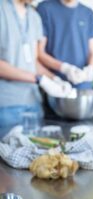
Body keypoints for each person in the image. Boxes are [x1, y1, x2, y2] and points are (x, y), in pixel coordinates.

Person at [0, 0, 71, 137]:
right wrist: (38, 79)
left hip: (34, 105)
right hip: (6, 106)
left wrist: (54, 79)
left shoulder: (34, 17)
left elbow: (33, 62)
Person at [37, 0, 93, 90]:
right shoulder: (45, 8)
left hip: (83, 84)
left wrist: (91, 68)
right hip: (55, 82)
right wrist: (64, 68)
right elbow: (39, 52)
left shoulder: (88, 13)